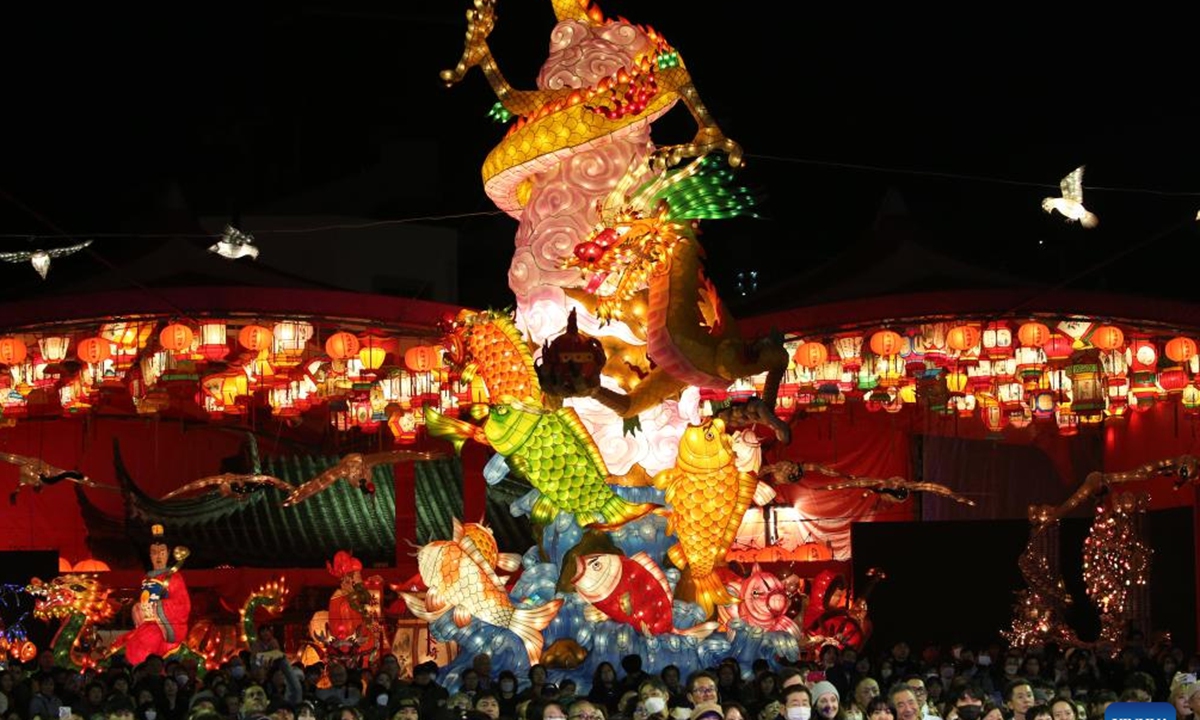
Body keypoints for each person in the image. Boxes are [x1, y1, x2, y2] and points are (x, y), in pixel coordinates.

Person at [110, 525, 191, 666]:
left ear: (168, 553)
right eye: (154, 552)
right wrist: (137, 608)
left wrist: (156, 608)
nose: (158, 556)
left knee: (143, 645)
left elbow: (183, 604)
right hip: (146, 624)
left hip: (164, 626)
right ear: (149, 555)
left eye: (162, 552)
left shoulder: (174, 577)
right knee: (122, 641)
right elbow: (144, 599)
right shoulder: (146, 578)